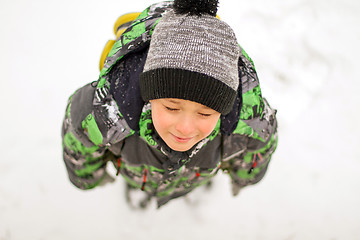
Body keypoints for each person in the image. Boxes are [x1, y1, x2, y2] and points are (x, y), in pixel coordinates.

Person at [61, 0, 278, 208]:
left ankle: (186, 187)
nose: (185, 127)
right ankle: (141, 190)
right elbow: (79, 143)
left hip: (194, 174)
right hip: (139, 173)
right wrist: (88, 177)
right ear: (149, 95)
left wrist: (244, 177)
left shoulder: (250, 125)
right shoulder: (102, 117)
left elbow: (258, 152)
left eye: (204, 114)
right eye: (171, 108)